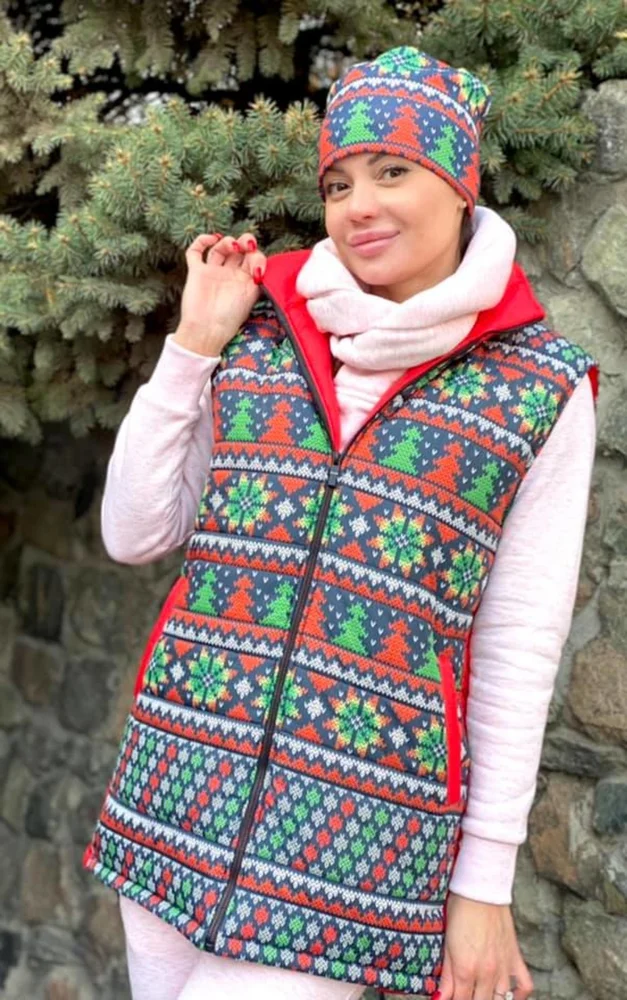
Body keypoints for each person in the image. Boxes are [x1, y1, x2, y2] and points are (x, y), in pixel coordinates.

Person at [83, 46, 598, 1000]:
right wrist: (194, 343)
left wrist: (482, 886)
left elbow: (519, 645)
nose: (359, 204)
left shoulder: (536, 388)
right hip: (178, 783)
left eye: (392, 171)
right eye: (338, 182)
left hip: (357, 834)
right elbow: (134, 532)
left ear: (459, 185)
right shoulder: (260, 328)